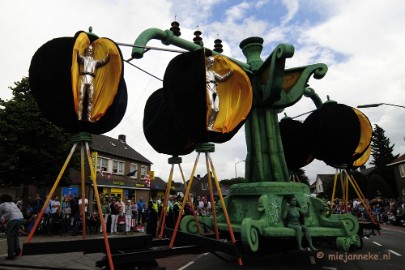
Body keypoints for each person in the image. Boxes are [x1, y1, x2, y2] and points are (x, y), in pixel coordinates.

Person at [77, 45, 110, 122]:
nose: (90, 51)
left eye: (91, 50)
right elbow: (77, 54)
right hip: (83, 78)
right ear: (86, 51)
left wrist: (108, 54)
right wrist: (78, 44)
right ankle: (79, 117)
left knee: (91, 100)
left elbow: (104, 61)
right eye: (88, 49)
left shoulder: (95, 62)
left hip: (91, 79)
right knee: (81, 98)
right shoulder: (83, 59)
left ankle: (89, 118)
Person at [205, 55, 233, 130]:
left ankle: (210, 126)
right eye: (210, 62)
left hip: (214, 88)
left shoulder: (212, 72)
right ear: (206, 62)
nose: (211, 64)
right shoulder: (203, 72)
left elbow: (221, 78)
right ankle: (207, 125)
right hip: (207, 87)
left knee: (216, 109)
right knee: (211, 107)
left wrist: (230, 72)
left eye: (212, 63)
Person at [0, 194, 24, 260]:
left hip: (13, 219)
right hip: (20, 218)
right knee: (15, 235)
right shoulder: (13, 203)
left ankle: (11, 255)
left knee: (10, 237)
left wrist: (1, 223)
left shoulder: (2, 205)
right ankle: (17, 249)